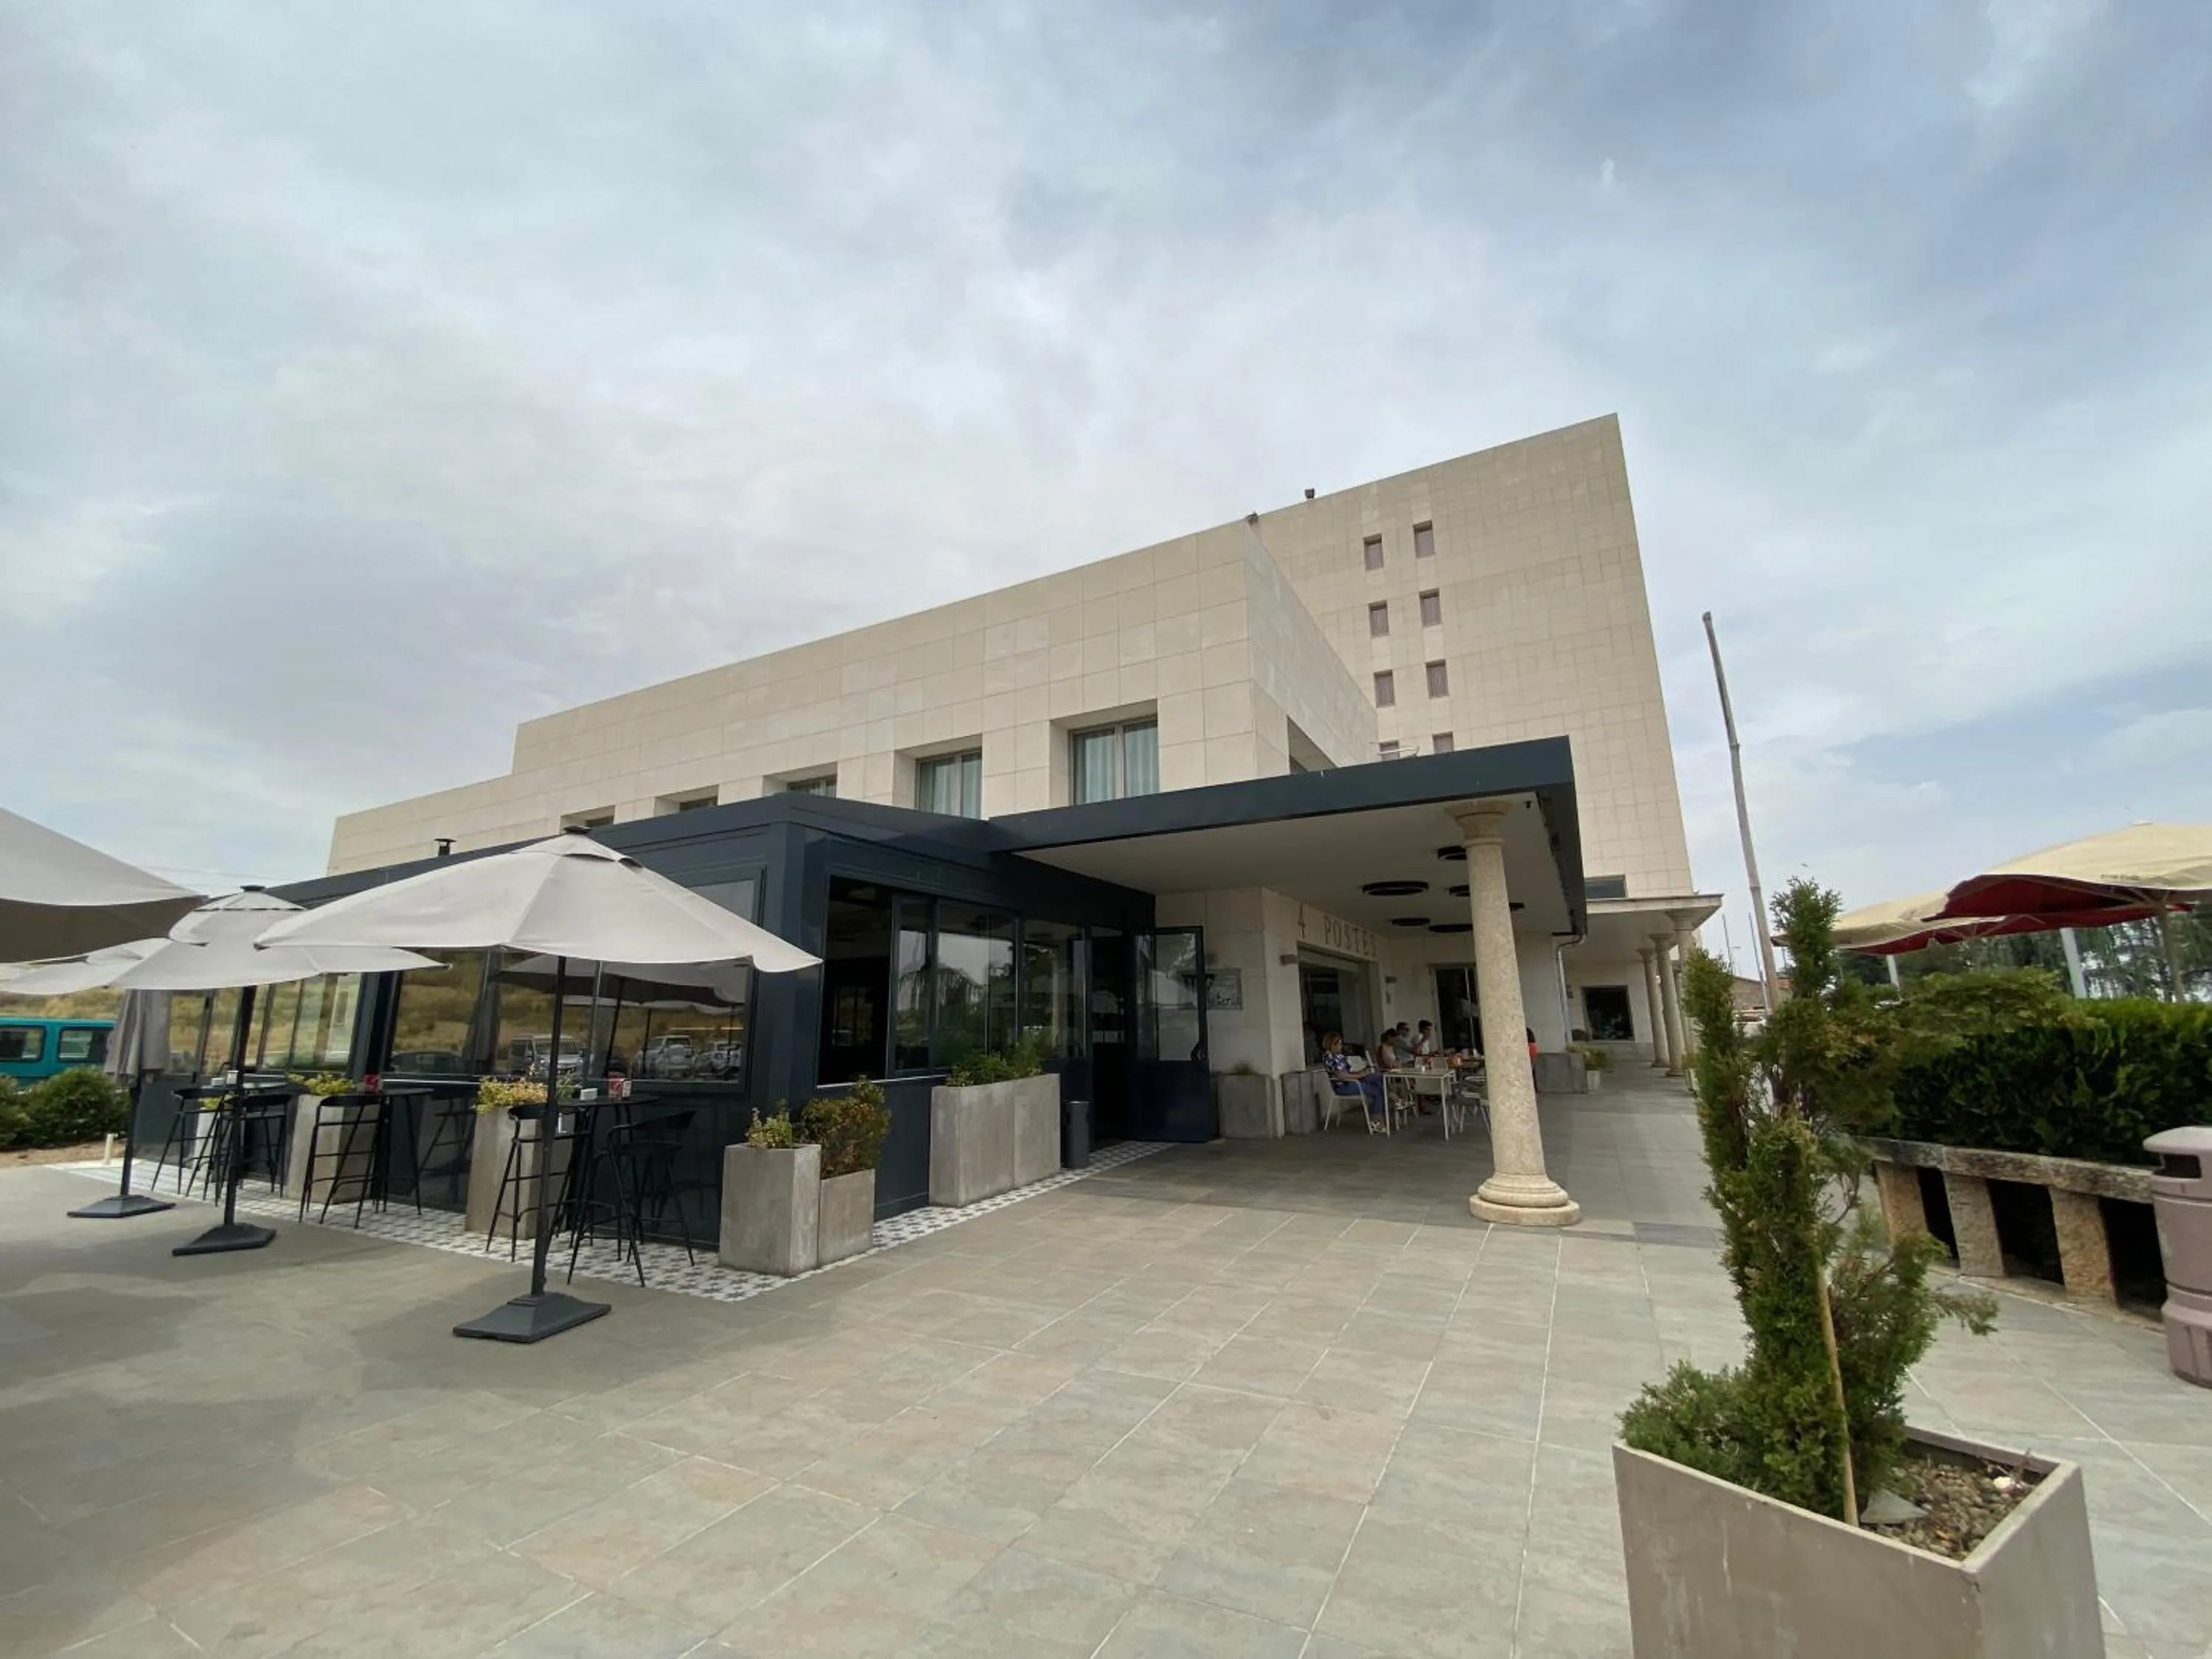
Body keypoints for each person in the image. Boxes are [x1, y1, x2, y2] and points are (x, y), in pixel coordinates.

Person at [1321, 1031, 1386, 1126]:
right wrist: (1359, 1076)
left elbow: (1349, 1072)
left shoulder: (1341, 1056)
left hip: (1352, 1080)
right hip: (1343, 1086)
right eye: (1339, 1044)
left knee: (1376, 1077)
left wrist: (1362, 1072)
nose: (1341, 1046)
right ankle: (1377, 1119)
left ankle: (1389, 1100)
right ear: (1332, 1045)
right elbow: (1341, 1076)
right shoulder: (1329, 1057)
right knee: (1376, 1091)